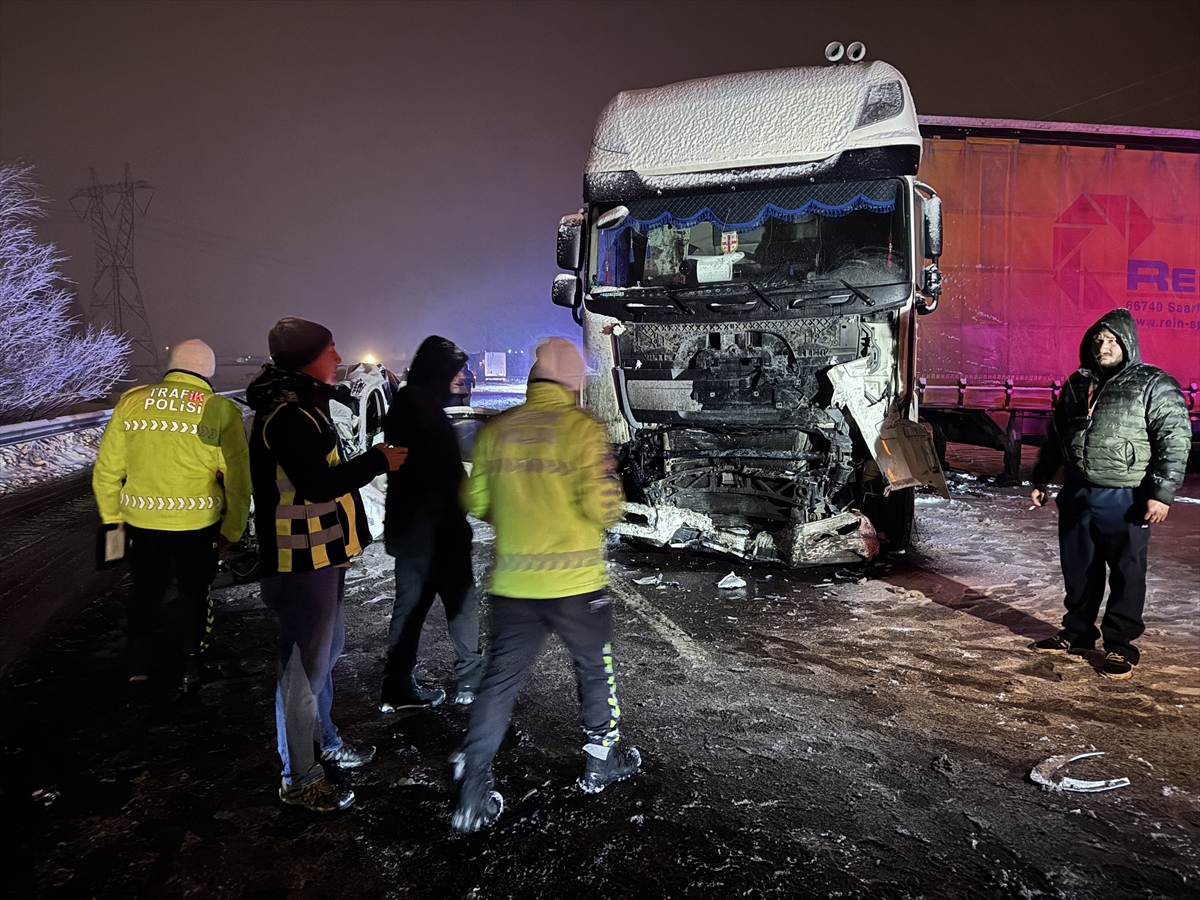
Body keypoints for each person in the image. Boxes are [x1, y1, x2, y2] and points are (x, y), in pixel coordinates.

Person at [451, 337, 639, 833]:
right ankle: (602, 758)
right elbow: (606, 508)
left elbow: (475, 501)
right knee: (594, 672)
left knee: (498, 683)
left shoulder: (498, 431)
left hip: (514, 585)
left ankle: (472, 788)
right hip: (578, 587)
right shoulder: (582, 430)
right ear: (575, 385)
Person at [247, 317, 408, 813]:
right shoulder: (289, 413)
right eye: (331, 349)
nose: (338, 358)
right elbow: (317, 485)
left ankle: (327, 742)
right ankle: (300, 776)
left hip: (322, 553)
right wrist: (378, 461)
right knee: (303, 668)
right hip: (302, 558)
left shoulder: (303, 404)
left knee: (325, 653)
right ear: (306, 358)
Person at [1030, 309, 1190, 679]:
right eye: (1098, 340)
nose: (1104, 346)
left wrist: (1161, 493)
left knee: (1126, 573)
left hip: (1127, 496)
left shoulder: (1153, 383)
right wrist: (1041, 478)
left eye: (1112, 340)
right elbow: (1056, 436)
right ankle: (1078, 632)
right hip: (1078, 493)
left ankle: (1120, 646)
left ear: (1127, 343)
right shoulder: (1077, 383)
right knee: (1079, 570)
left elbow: (1174, 440)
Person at [93, 339, 251, 691]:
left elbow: (106, 471)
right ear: (208, 371)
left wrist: (112, 518)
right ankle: (192, 666)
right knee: (194, 594)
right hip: (198, 526)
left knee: (145, 590)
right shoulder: (219, 409)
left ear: (173, 366)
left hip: (142, 524)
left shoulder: (133, 402)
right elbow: (240, 480)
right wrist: (234, 528)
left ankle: (138, 664)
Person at [379, 336, 483, 711]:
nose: (458, 377)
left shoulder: (408, 404)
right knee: (461, 607)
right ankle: (470, 682)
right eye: (452, 370)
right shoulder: (423, 410)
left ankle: (396, 686)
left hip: (411, 534)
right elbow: (442, 475)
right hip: (438, 534)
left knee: (409, 611)